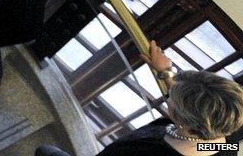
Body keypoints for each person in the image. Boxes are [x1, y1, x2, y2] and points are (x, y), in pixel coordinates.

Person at [35, 41, 243, 156]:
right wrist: (166, 73)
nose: (169, 97)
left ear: (183, 121)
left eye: (173, 101)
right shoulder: (225, 139)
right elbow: (195, 106)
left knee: (44, 152)